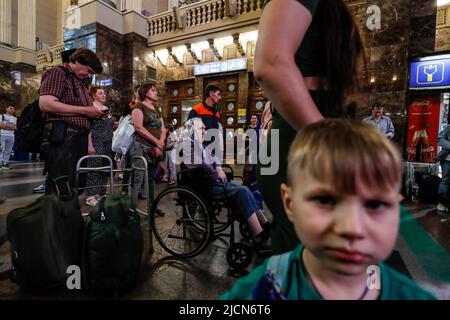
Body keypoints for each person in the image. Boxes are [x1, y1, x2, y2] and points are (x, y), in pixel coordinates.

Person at [220, 119, 436, 300]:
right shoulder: (259, 290)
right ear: (289, 202)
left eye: (374, 204)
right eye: (325, 200)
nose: (351, 227)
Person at [254, 0, 366, 253]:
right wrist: (328, 142)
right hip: (304, 138)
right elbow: (272, 64)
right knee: (312, 259)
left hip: (314, 129)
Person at [179, 117, 270, 244]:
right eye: (202, 128)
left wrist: (219, 167)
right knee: (243, 191)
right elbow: (200, 164)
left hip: (211, 182)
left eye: (205, 128)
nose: (205, 130)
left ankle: (264, 223)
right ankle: (258, 233)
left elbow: (215, 158)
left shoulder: (200, 144)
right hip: (204, 186)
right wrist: (216, 171)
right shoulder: (188, 146)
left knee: (246, 189)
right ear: (191, 130)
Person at [38, 48, 104, 194]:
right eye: (88, 70)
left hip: (77, 138)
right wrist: (86, 111)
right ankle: (55, 216)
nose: (88, 75)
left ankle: (69, 215)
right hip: (64, 137)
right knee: (61, 185)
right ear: (77, 61)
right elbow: (45, 104)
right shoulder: (58, 73)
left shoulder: (79, 82)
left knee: (75, 184)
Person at [127, 82, 166, 204]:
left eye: (156, 90)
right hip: (140, 146)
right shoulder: (138, 106)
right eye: (153, 90)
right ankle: (132, 209)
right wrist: (157, 142)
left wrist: (160, 142)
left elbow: (163, 129)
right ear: (145, 92)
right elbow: (138, 128)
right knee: (137, 179)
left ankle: (152, 206)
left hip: (154, 148)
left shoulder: (156, 109)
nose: (156, 93)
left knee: (151, 179)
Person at [187, 85, 227, 182]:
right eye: (218, 94)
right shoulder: (197, 109)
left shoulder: (216, 112)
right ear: (211, 94)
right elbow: (190, 131)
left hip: (213, 152)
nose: (220, 97)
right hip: (201, 152)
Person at [85, 86, 116, 207]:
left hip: (108, 143)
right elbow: (88, 128)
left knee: (105, 167)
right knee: (94, 168)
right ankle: (90, 196)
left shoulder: (107, 109)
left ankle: (102, 193)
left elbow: (108, 124)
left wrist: (114, 125)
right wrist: (90, 145)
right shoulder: (91, 108)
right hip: (96, 141)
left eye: (104, 93)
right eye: (100, 93)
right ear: (93, 95)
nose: (104, 95)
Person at [436, 125, 450, 212]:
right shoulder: (449, 128)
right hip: (447, 159)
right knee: (445, 181)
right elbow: (439, 140)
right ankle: (441, 203)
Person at [0, 105, 17, 170]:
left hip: (11, 136)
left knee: (8, 150)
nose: (12, 110)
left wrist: (5, 125)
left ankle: (5, 163)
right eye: (10, 108)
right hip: (2, 134)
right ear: (6, 109)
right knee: (1, 150)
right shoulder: (2, 116)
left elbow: (15, 128)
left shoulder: (14, 118)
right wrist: (10, 127)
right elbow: (0, 125)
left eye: (13, 109)